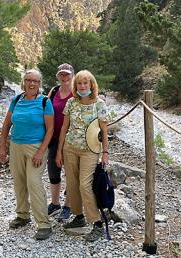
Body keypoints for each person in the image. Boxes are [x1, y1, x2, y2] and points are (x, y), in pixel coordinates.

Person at [0, 69, 54, 241]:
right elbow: (7, 124)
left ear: (39, 84)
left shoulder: (45, 102)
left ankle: (44, 224)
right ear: (24, 82)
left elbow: (50, 129)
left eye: (35, 81)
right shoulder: (16, 100)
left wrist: (40, 151)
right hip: (16, 145)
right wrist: (2, 147)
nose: (31, 84)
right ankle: (22, 215)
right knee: (19, 181)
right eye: (29, 80)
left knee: (34, 182)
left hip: (36, 147)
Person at [56, 70, 109, 242]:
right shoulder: (71, 102)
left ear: (92, 84)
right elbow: (64, 128)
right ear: (75, 85)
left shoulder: (99, 104)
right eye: (79, 83)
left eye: (86, 83)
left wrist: (105, 153)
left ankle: (97, 224)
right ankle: (78, 217)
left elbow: (104, 131)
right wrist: (59, 151)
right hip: (70, 148)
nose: (83, 86)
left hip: (90, 150)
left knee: (85, 185)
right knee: (72, 185)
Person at [47, 63, 74, 222]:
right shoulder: (54, 91)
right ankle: (55, 203)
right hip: (54, 137)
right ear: (58, 76)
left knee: (70, 172)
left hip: (72, 140)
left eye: (67, 74)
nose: (64, 77)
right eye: (61, 75)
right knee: (53, 170)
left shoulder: (77, 92)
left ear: (72, 75)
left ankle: (68, 206)